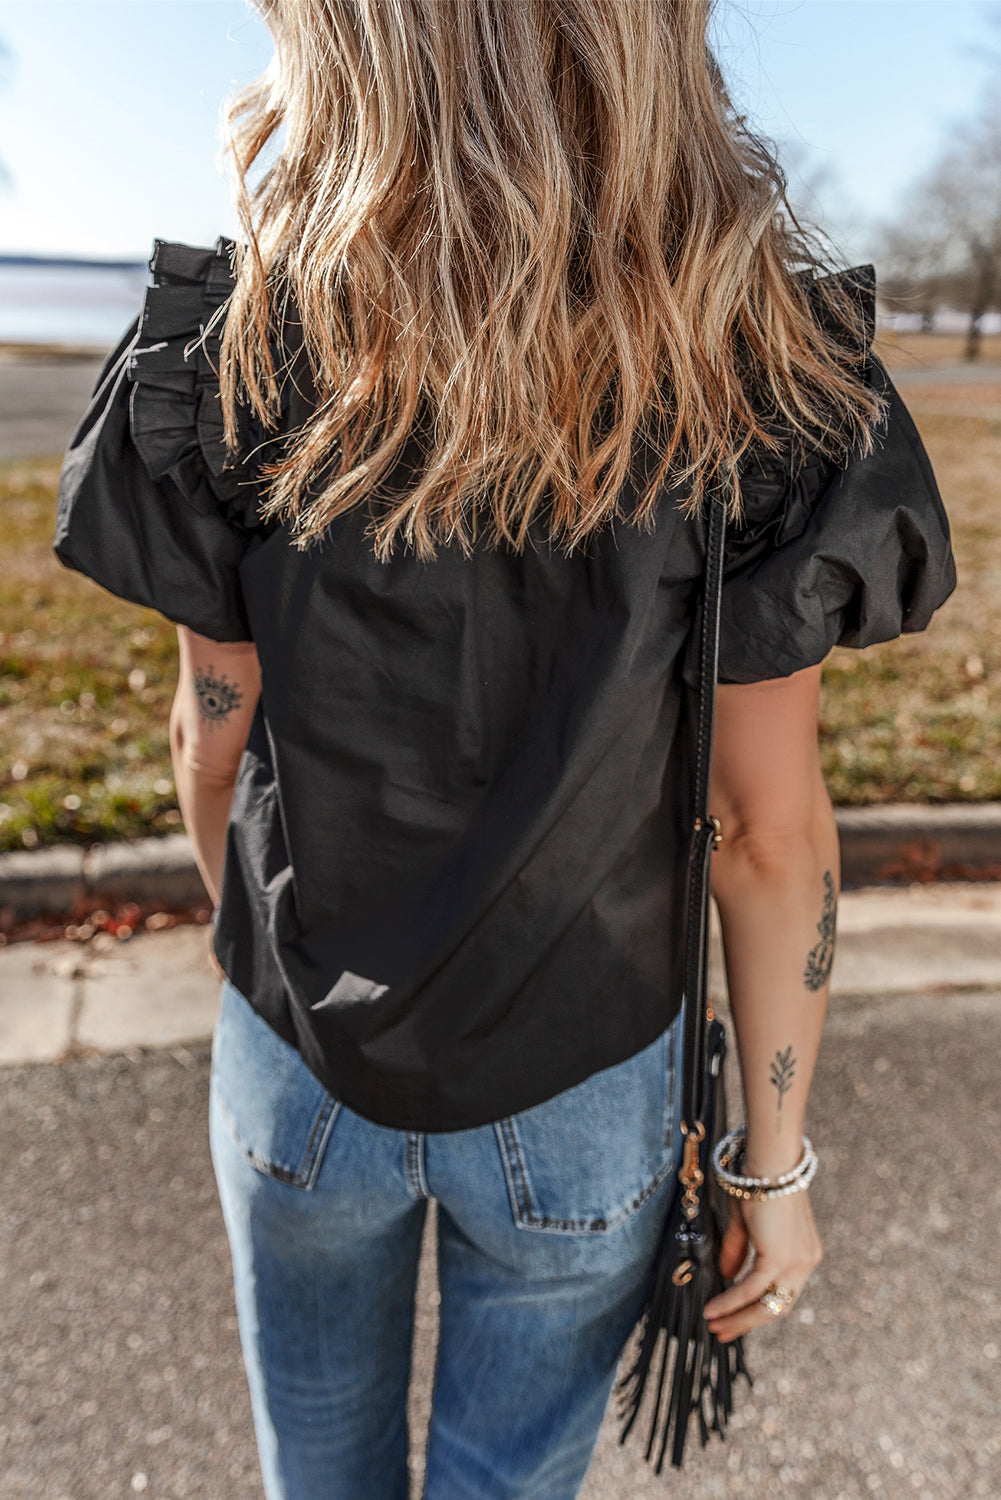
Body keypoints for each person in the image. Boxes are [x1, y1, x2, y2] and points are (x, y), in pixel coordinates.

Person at [52, 2, 956, 1496]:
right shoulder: (748, 369)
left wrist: (271, 961)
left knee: (316, 1467)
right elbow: (764, 829)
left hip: (295, 1047)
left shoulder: (238, 344)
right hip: (586, 1074)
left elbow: (212, 744)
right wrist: (770, 1168)